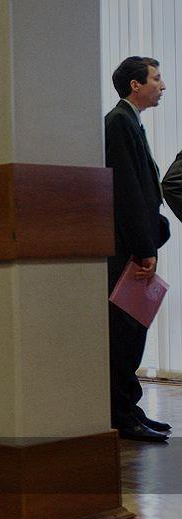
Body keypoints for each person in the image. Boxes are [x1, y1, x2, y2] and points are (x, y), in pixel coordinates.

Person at [105, 56, 171, 442]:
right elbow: (127, 191)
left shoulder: (131, 121)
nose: (162, 86)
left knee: (133, 332)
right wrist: (144, 247)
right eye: (156, 79)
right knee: (125, 335)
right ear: (135, 84)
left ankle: (129, 408)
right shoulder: (119, 121)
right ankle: (121, 415)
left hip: (135, 245)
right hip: (127, 250)